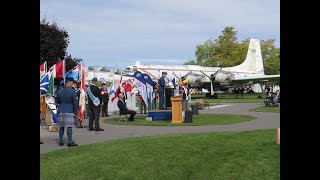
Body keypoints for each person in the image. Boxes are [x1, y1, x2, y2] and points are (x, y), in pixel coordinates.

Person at [55, 77, 79, 147]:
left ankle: (60, 141)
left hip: (61, 110)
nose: (73, 84)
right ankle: (70, 142)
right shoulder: (72, 91)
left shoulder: (59, 91)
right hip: (69, 111)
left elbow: (57, 102)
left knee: (61, 127)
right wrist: (75, 112)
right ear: (69, 82)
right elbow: (75, 103)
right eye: (72, 82)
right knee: (69, 127)